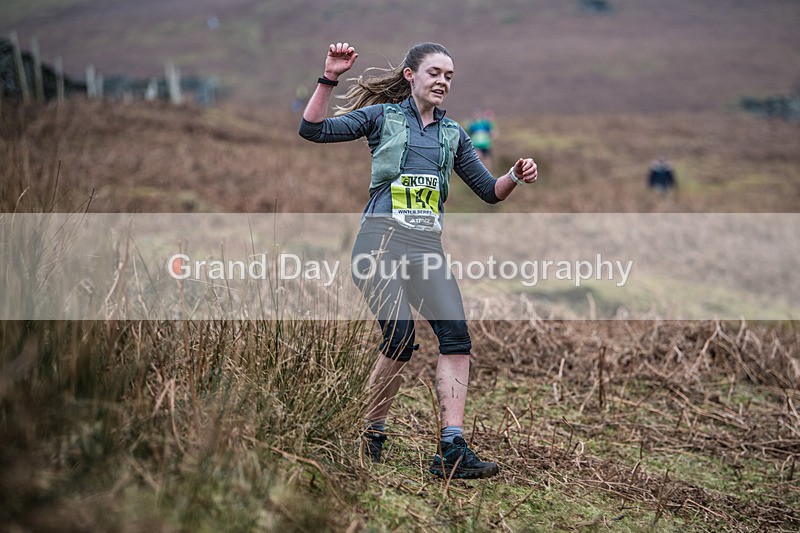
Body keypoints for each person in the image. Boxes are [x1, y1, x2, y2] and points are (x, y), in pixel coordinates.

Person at [299, 42, 539, 480]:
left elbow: (488, 192)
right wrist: (329, 76)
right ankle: (370, 433)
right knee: (400, 336)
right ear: (411, 75)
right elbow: (313, 130)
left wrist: (514, 177)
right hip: (379, 244)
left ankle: (451, 447)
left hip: (426, 250)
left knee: (457, 338)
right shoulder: (381, 117)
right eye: (434, 73)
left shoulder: (454, 135)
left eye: (449, 75)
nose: (443, 81)